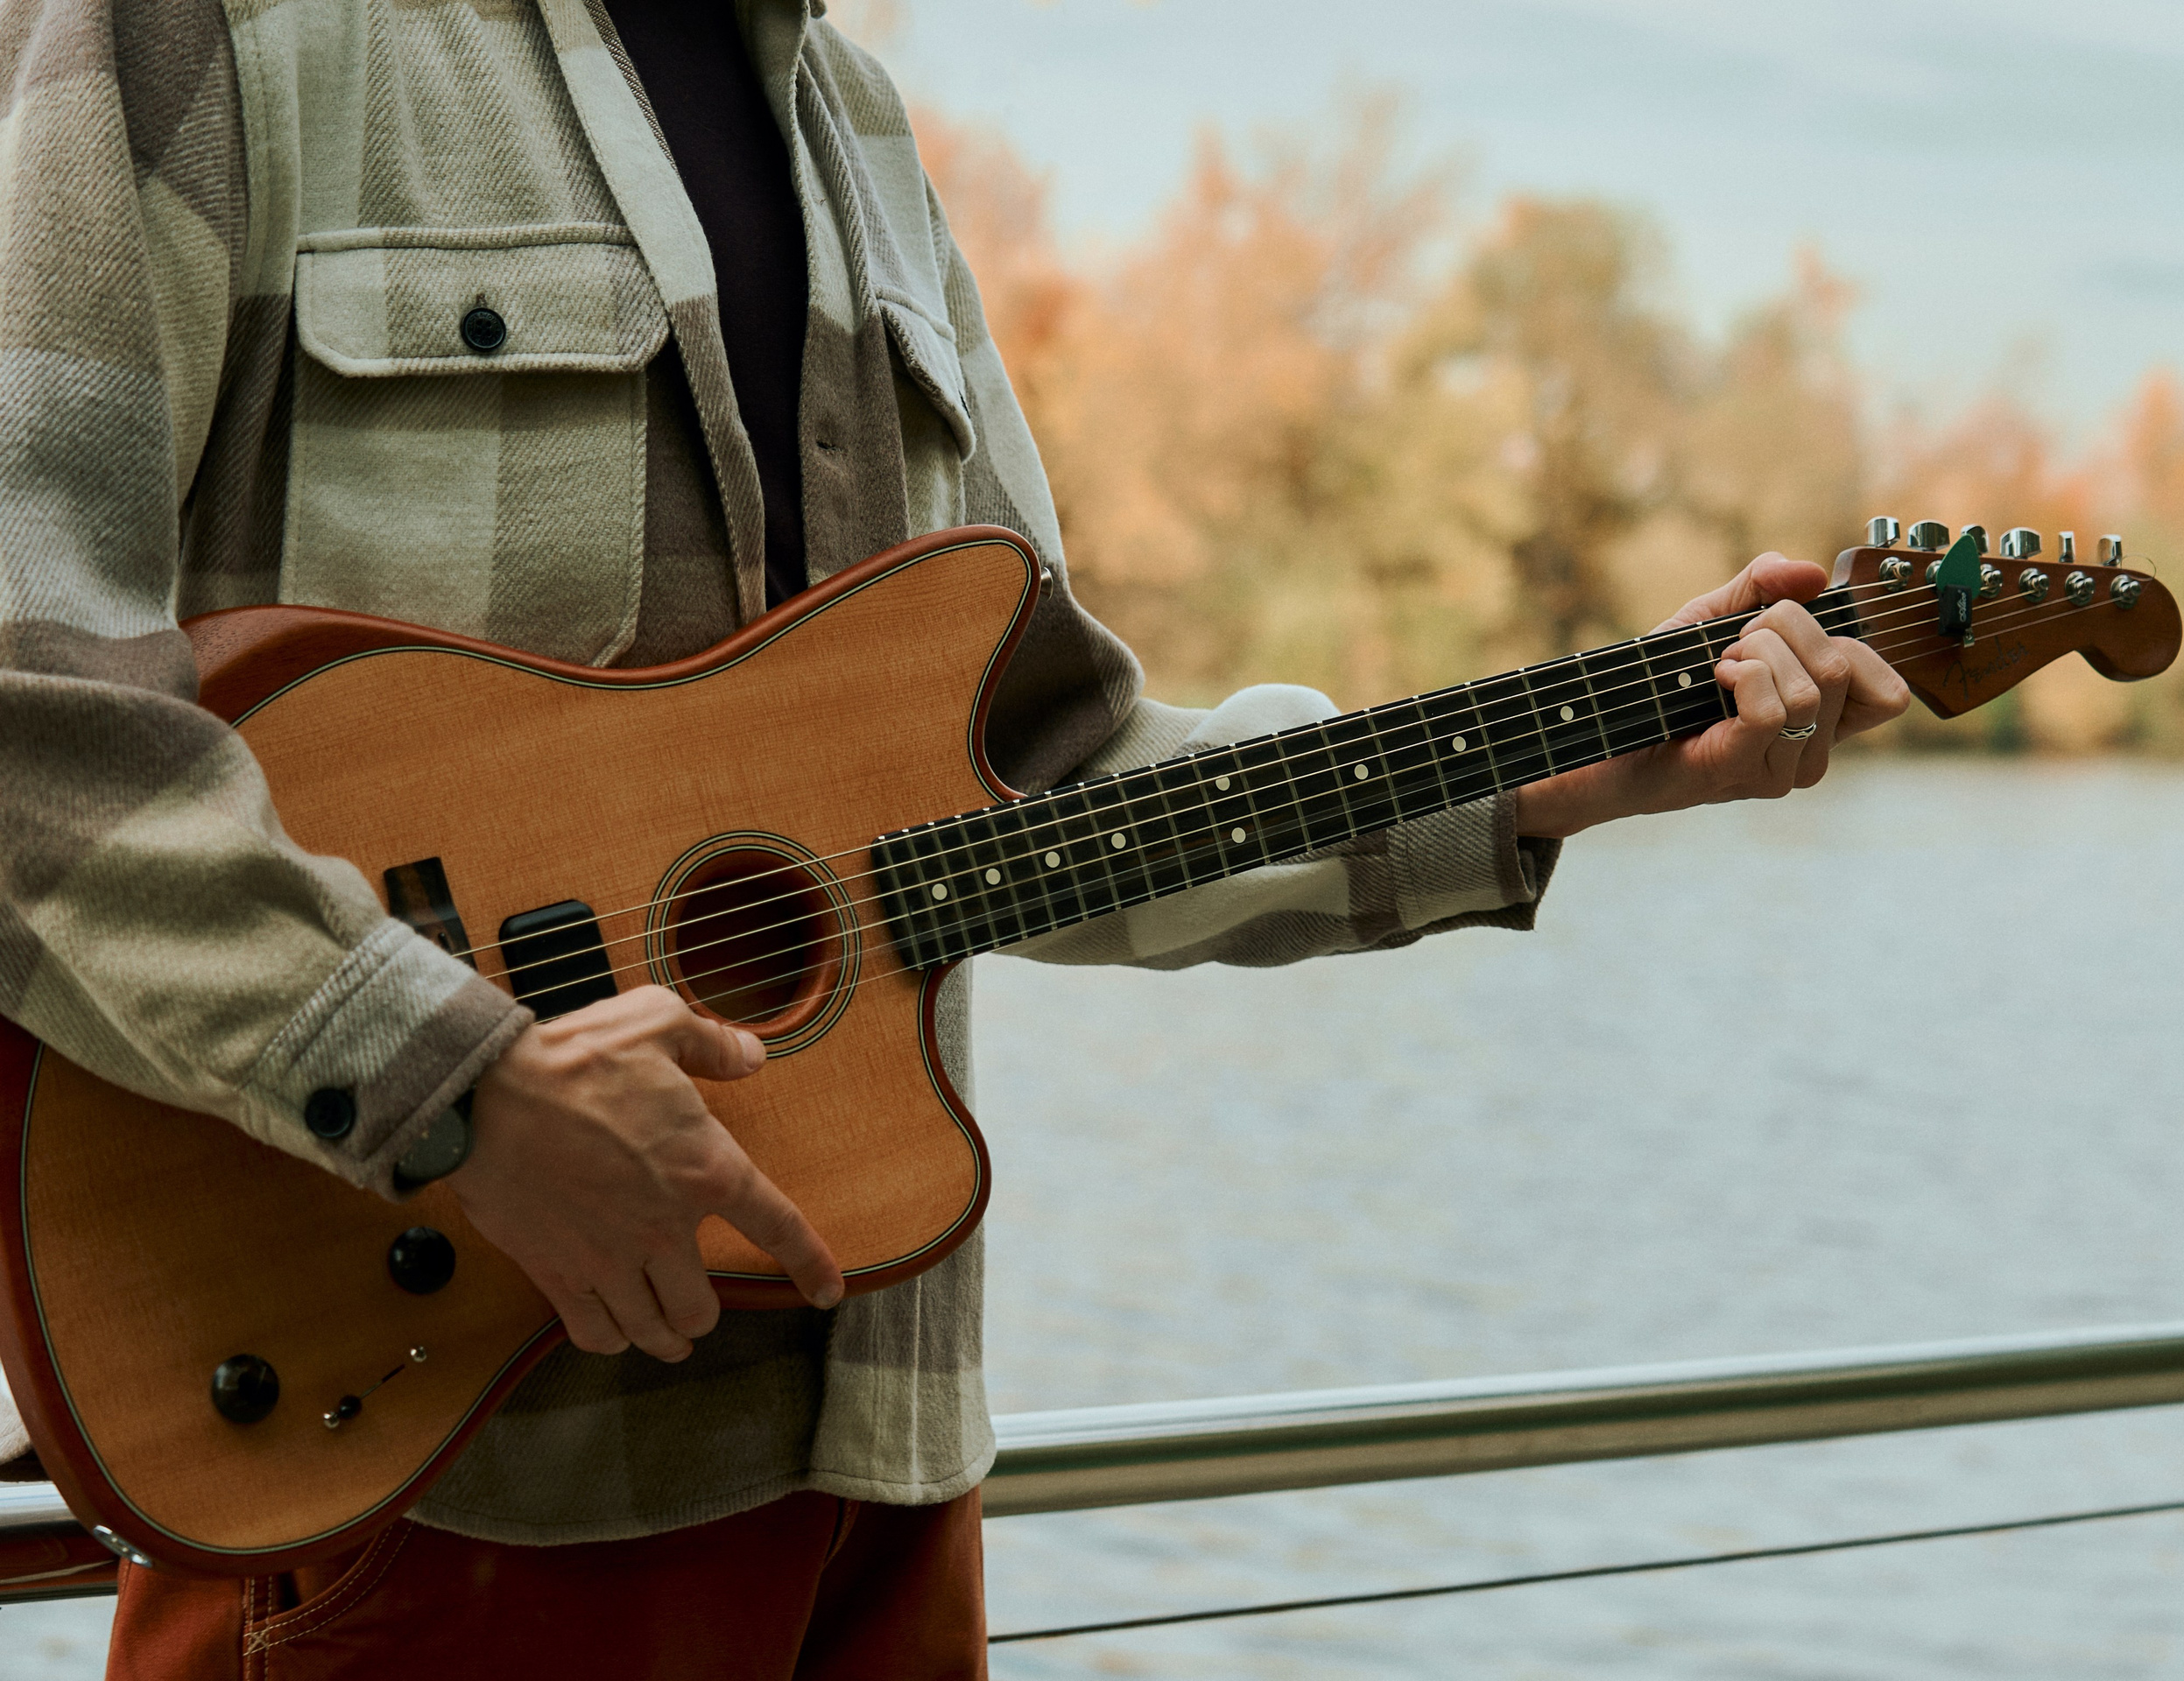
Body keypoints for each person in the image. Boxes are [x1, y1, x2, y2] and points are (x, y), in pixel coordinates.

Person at [0, 1, 1909, 1675]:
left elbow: (1042, 778)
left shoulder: (864, 130)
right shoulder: (213, 26)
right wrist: (451, 1084)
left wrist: (1582, 756)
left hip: (884, 1486)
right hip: (431, 1497)